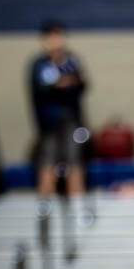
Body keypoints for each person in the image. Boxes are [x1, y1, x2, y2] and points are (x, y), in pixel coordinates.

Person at [29, 21, 87, 211]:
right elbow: (41, 89)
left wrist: (61, 84)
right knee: (47, 163)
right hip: (48, 124)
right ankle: (46, 210)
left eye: (58, 36)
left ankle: (77, 209)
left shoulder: (72, 61)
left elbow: (80, 84)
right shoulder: (38, 64)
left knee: (74, 162)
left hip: (72, 121)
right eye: (50, 37)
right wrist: (62, 84)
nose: (55, 41)